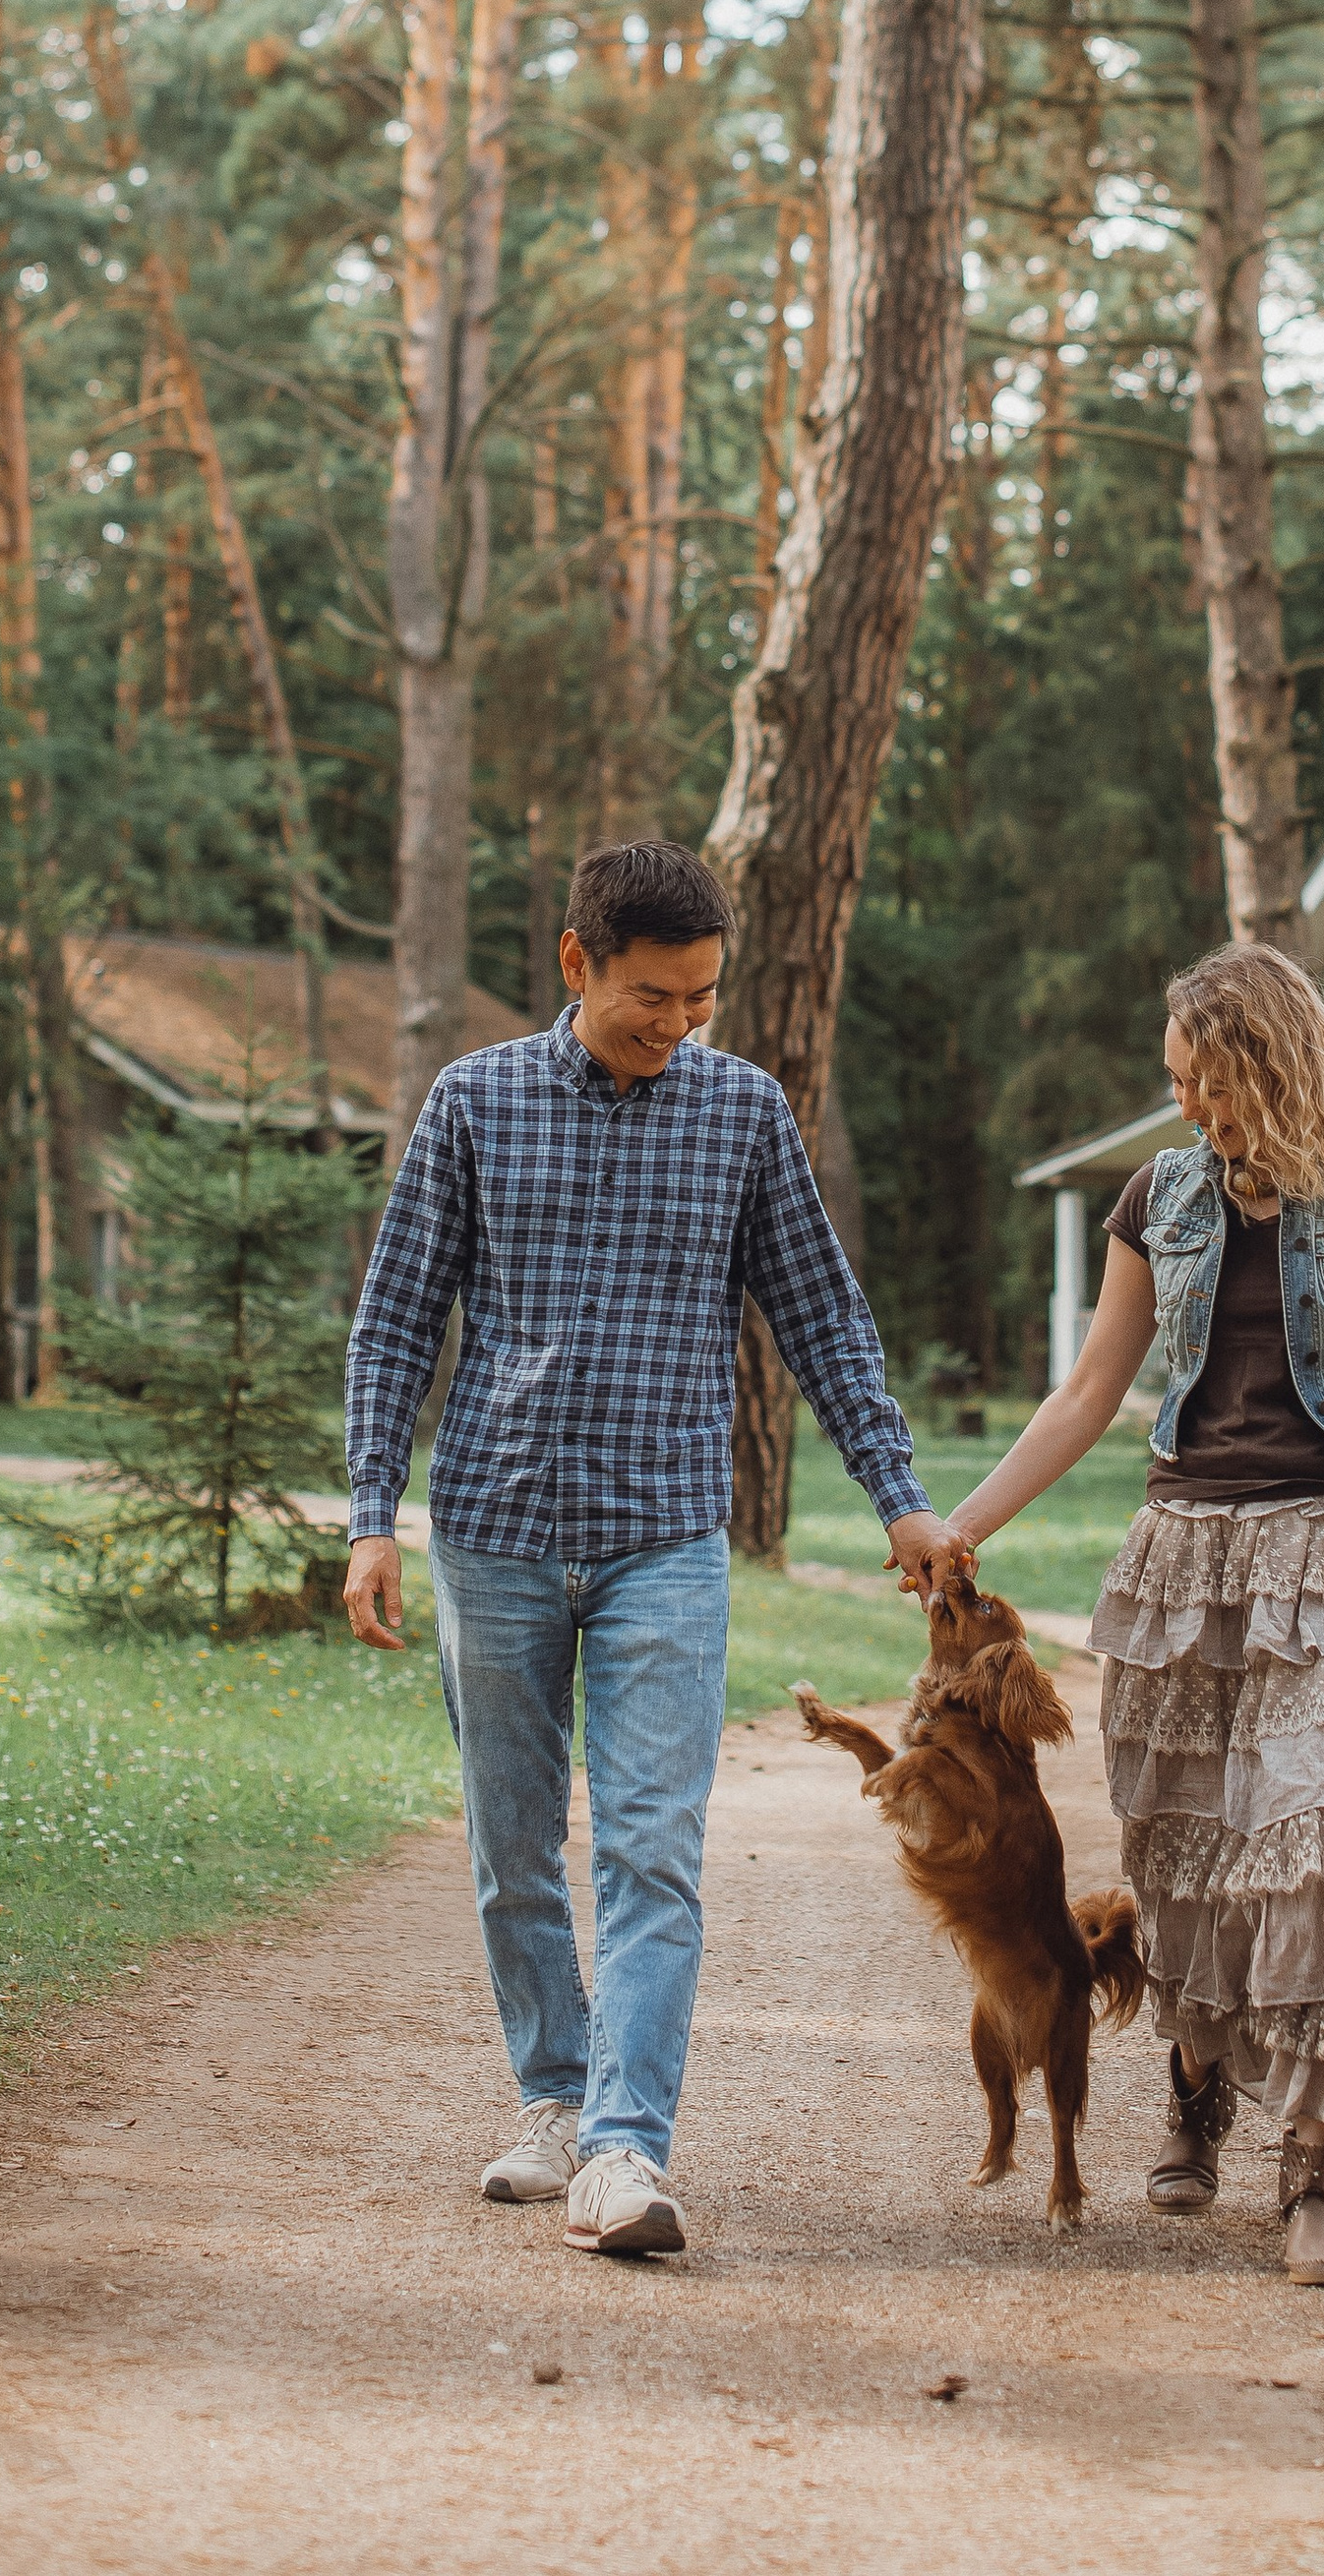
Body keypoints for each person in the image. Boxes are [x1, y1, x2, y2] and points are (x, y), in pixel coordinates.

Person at [339, 835, 957, 2260]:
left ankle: (624, 2149)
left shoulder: (741, 1114)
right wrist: (374, 1514)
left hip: (664, 1539)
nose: (677, 1026)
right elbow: (394, 1324)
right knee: (510, 1846)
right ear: (577, 964)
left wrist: (898, 1492)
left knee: (653, 1853)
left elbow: (824, 1318)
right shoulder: (475, 1101)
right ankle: (554, 2098)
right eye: (651, 997)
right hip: (492, 1531)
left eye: (701, 999)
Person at [934, 938, 1324, 2286]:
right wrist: (965, 1524)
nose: (1189, 1108)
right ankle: (1198, 2088)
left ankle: (1316, 2176)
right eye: (1175, 1082)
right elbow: (1087, 1391)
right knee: (1185, 1866)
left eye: (1209, 1085)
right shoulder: (1157, 1198)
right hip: (1184, 1566)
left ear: (1274, 1070)